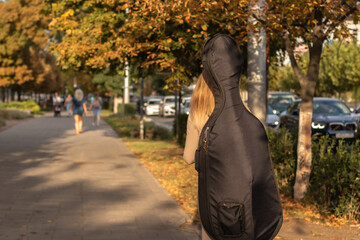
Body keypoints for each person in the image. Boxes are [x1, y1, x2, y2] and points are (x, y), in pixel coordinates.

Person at [183, 74, 213, 240]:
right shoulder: (241, 109)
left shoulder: (197, 115)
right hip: (240, 184)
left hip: (210, 186)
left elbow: (188, 157)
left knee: (210, 228)